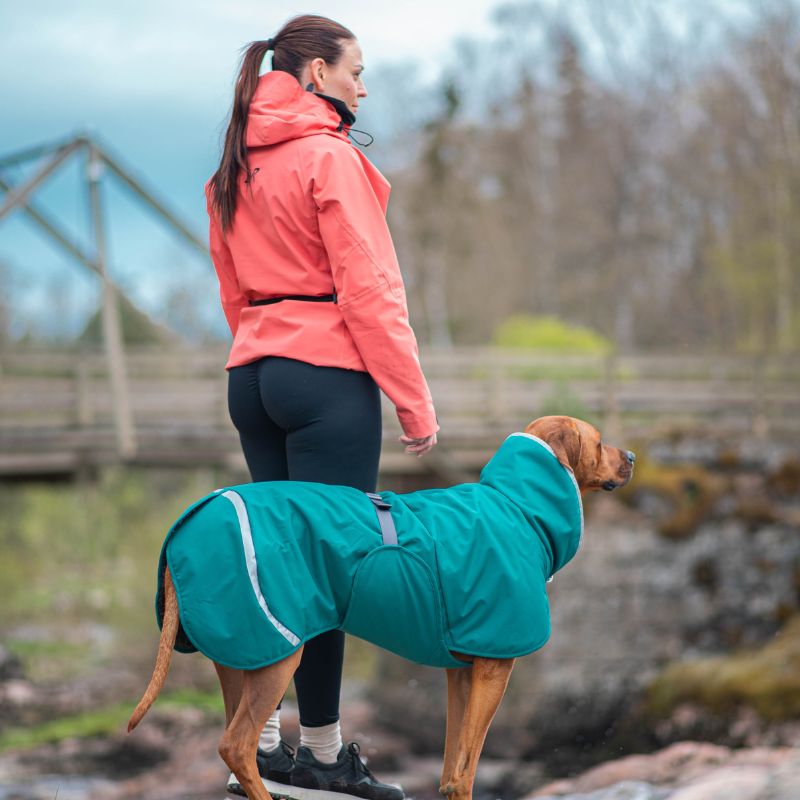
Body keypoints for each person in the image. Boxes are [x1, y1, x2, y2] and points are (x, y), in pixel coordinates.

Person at [205, 13, 439, 800]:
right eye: (355, 71)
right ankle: (326, 754)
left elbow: (232, 287)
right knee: (332, 567)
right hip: (326, 374)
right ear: (314, 77)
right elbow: (371, 291)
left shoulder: (234, 162)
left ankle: (262, 741)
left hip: (254, 373)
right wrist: (413, 403)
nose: (363, 87)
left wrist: (264, 349)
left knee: (274, 562)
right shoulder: (327, 159)